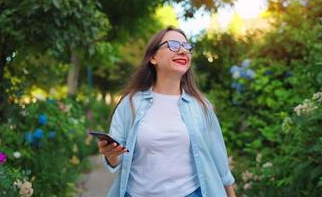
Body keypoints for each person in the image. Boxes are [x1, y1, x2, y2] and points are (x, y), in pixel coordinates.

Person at [98, 26, 236, 197]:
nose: (183, 51)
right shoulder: (130, 103)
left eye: (187, 47)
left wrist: (230, 194)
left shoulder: (201, 106)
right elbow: (117, 157)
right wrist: (111, 154)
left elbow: (219, 159)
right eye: (173, 45)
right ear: (153, 57)